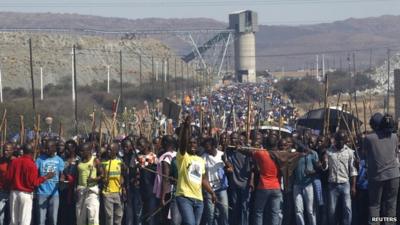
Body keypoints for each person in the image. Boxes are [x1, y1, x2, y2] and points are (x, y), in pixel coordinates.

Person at [176, 116, 216, 225]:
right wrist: (185, 127)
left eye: (194, 143)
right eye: (190, 143)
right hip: (184, 197)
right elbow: (182, 143)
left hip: (198, 199)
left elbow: (203, 179)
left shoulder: (201, 160)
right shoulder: (182, 156)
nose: (192, 145)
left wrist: (212, 192)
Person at [6, 143, 55, 225]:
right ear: (32, 152)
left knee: (14, 220)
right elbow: (34, 182)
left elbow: (8, 178)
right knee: (24, 220)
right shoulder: (31, 164)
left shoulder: (14, 161)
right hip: (26, 194)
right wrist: (46, 177)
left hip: (14, 193)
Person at [365, 113, 399, 225]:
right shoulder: (394, 137)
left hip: (377, 177)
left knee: (375, 206)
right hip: (394, 175)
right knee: (391, 205)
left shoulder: (369, 138)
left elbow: (364, 154)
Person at [325, 130, 358, 225]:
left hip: (345, 184)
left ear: (345, 140)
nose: (340, 142)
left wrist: (353, 186)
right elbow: (325, 167)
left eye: (342, 140)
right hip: (332, 184)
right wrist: (323, 162)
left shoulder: (350, 152)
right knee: (331, 210)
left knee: (347, 208)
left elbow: (353, 170)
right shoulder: (329, 151)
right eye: (338, 140)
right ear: (335, 140)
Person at [225, 132, 253, 225]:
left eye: (235, 138)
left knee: (245, 207)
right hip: (234, 183)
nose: (233, 140)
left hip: (245, 183)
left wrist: (251, 181)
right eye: (232, 138)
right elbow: (224, 160)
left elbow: (252, 166)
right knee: (235, 207)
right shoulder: (228, 151)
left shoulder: (246, 150)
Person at [35, 139, 65, 225]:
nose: (46, 150)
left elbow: (62, 173)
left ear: (54, 148)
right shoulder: (39, 159)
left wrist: (62, 178)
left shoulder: (59, 160)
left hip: (54, 193)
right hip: (41, 192)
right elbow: (35, 173)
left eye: (48, 148)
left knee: (53, 219)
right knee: (41, 219)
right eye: (45, 148)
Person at [201, 137, 229, 225]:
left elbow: (231, 169)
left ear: (213, 146)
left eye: (208, 147)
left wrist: (225, 161)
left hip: (221, 188)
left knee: (224, 210)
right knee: (211, 213)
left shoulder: (222, 154)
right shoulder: (203, 157)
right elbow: (203, 175)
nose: (206, 149)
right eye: (205, 147)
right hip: (209, 189)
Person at [292, 136, 320, 225]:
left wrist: (312, 172)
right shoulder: (295, 154)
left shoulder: (313, 154)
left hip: (308, 185)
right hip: (297, 185)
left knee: (310, 210)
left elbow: (319, 169)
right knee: (298, 210)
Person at [76, 142, 104, 225]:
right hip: (81, 190)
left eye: (82, 151)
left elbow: (102, 174)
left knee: (93, 217)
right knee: (80, 217)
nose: (80, 153)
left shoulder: (95, 160)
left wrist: (94, 179)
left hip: (92, 192)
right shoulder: (79, 161)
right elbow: (78, 176)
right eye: (80, 151)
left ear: (89, 151)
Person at [102, 142, 125, 225]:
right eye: (107, 149)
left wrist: (122, 182)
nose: (108, 151)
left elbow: (123, 174)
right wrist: (103, 179)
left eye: (110, 150)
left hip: (118, 192)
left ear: (115, 151)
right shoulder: (104, 162)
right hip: (107, 192)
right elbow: (101, 175)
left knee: (119, 215)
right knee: (109, 216)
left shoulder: (120, 161)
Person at [0, 143, 13, 225]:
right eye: (4, 150)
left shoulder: (16, 162)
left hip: (13, 192)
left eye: (8, 150)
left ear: (12, 150)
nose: (5, 152)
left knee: (12, 215)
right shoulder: (0, 161)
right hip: (2, 191)